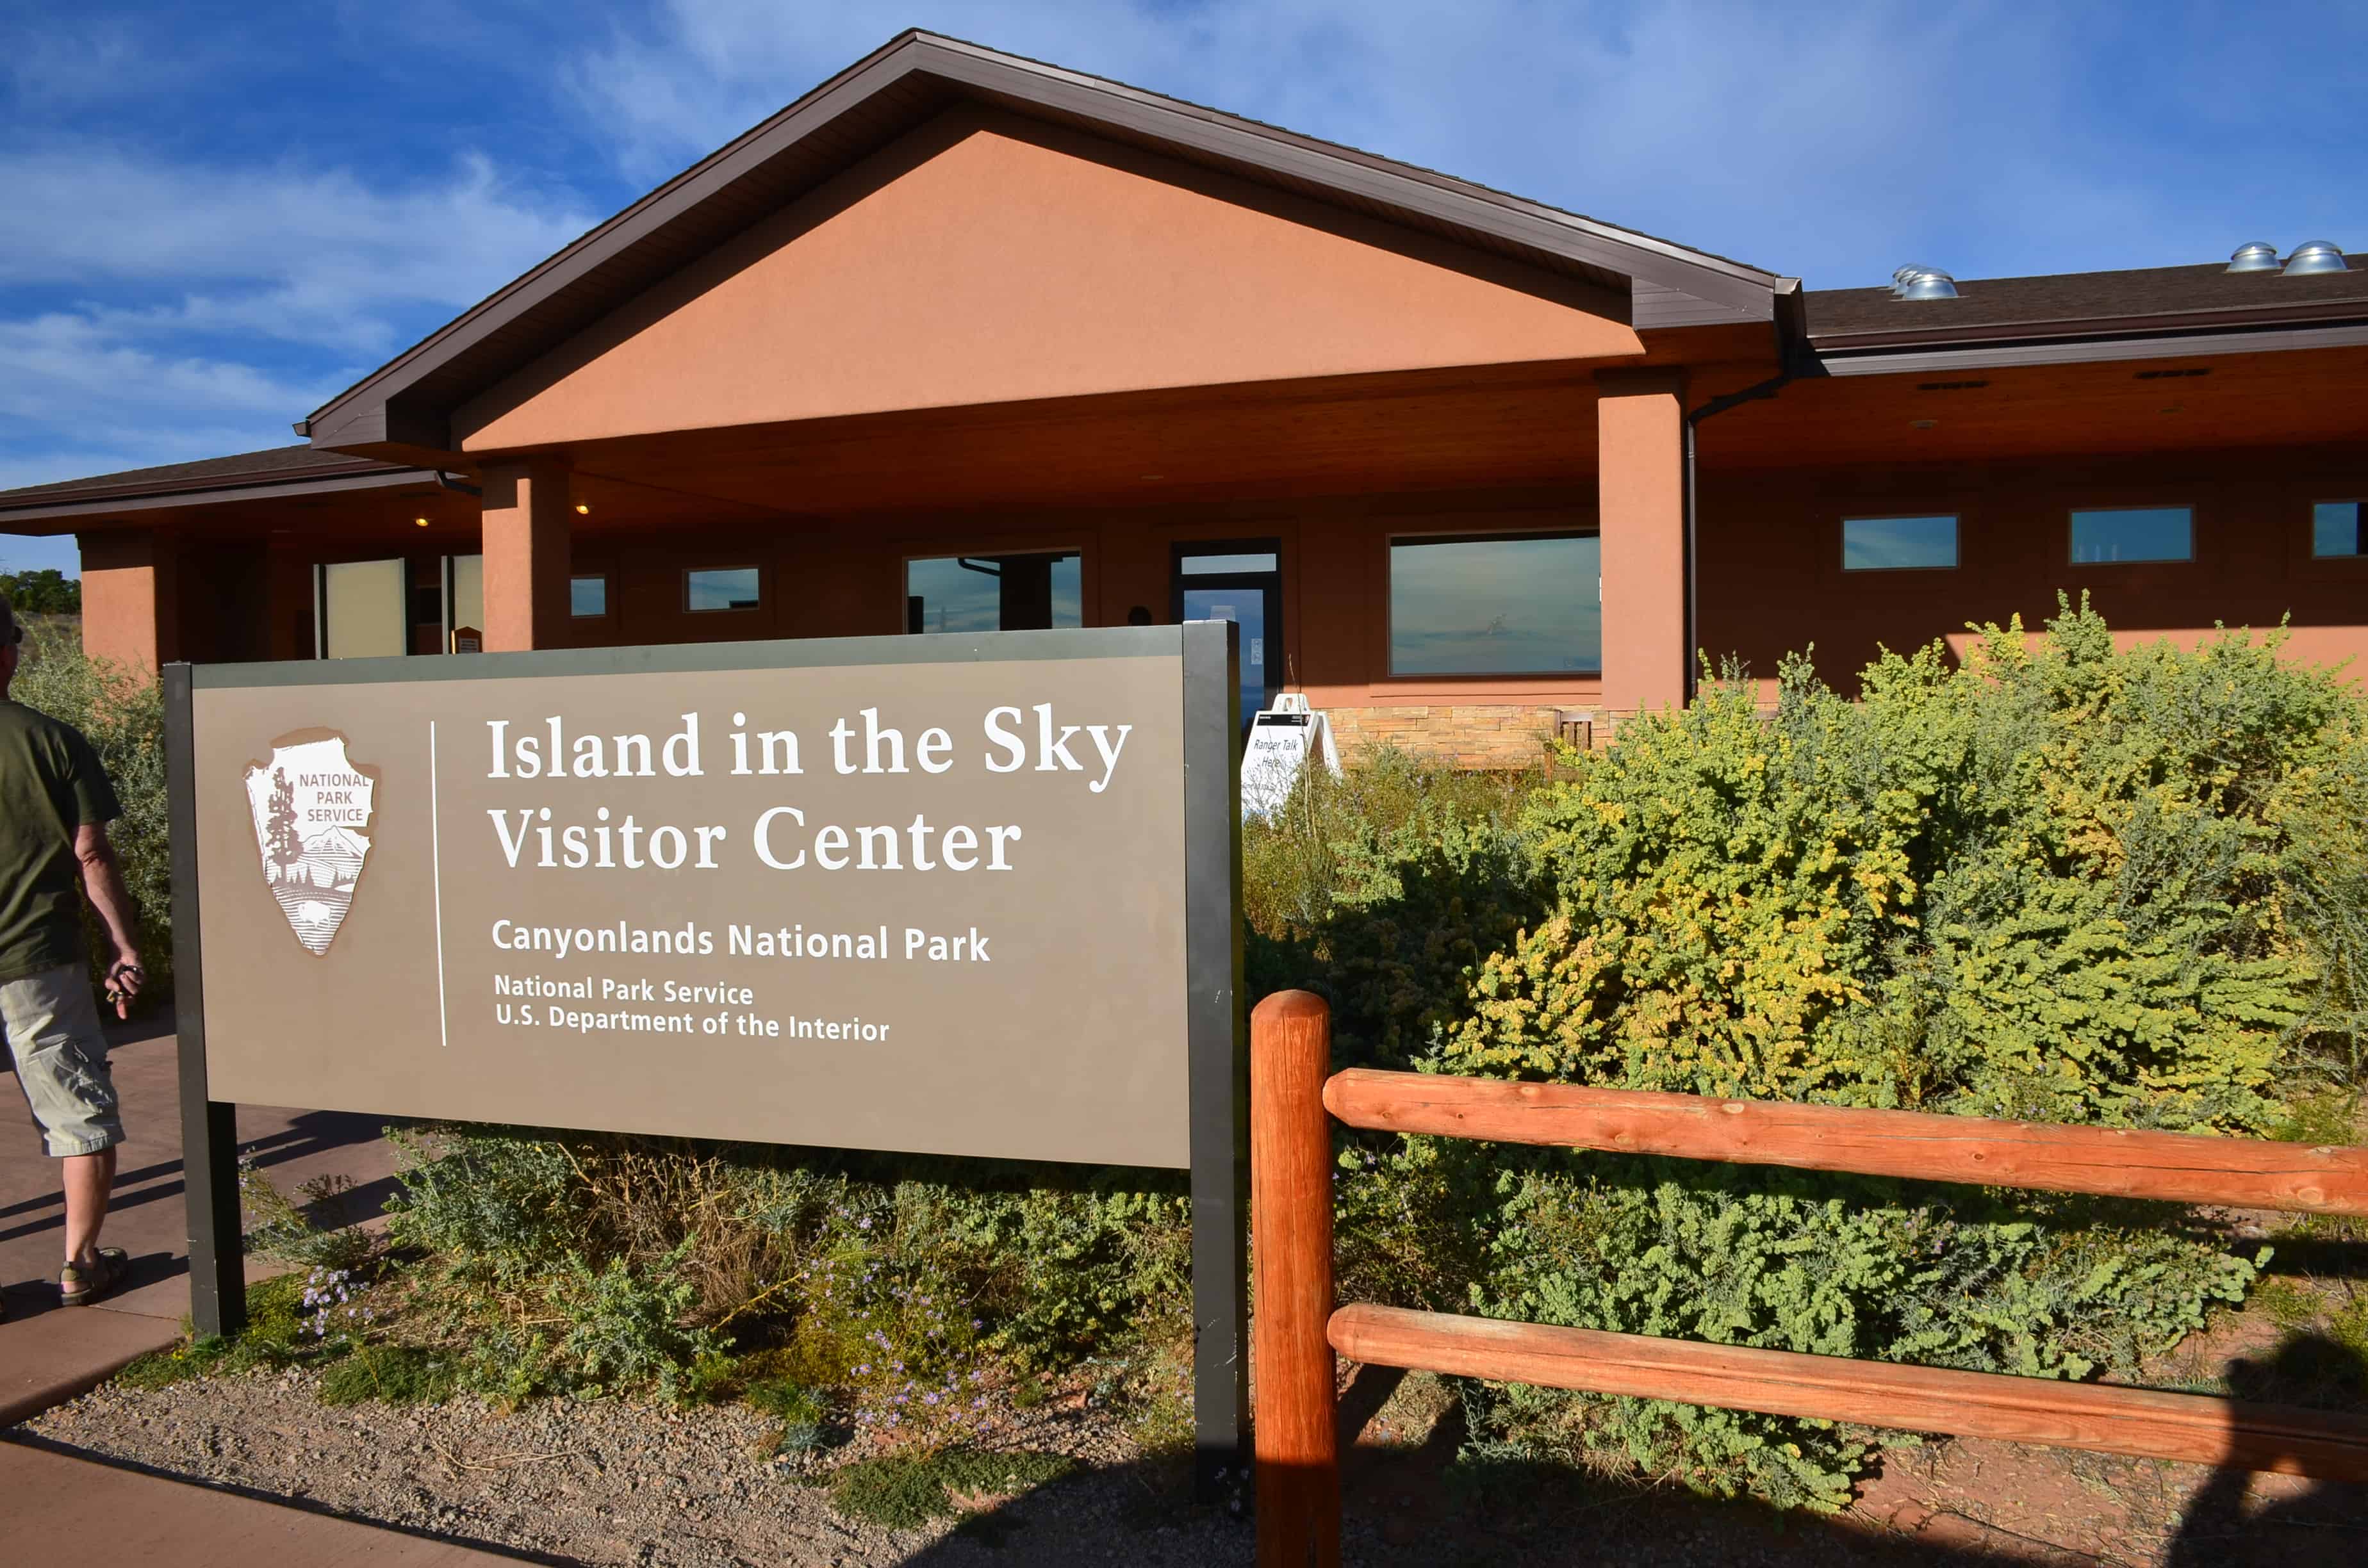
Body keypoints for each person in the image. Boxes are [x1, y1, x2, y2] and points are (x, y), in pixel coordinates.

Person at [0, 595, 144, 1312]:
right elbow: (91, 852)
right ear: (9, 653)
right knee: (76, 1113)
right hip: (37, 959)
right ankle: (79, 1266)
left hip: (35, 959)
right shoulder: (52, 741)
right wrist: (122, 944)